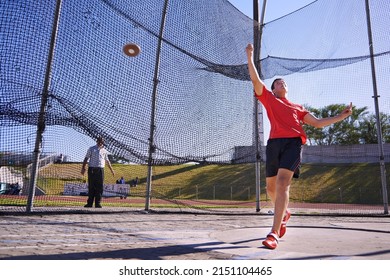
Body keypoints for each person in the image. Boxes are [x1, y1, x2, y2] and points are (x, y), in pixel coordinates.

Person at [245, 43, 353, 249]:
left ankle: (273, 233)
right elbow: (255, 80)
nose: (282, 83)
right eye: (278, 83)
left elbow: (319, 122)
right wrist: (250, 57)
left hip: (293, 144)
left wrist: (341, 116)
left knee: (283, 182)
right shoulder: (268, 99)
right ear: (274, 89)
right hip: (274, 144)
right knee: (270, 187)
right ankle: (284, 211)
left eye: (284, 82)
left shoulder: (298, 108)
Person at [81, 136, 115, 208]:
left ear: (103, 142)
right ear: (97, 141)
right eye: (99, 141)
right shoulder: (92, 148)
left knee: (100, 187)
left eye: (101, 141)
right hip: (92, 169)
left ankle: (98, 203)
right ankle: (89, 203)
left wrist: (112, 170)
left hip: (100, 170)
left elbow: (107, 161)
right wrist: (83, 168)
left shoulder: (104, 151)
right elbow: (86, 158)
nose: (100, 142)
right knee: (91, 186)